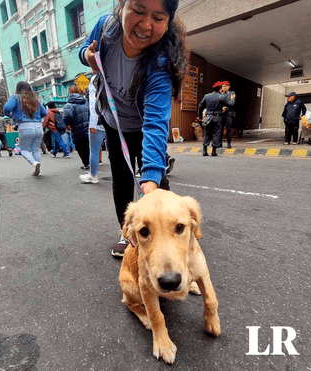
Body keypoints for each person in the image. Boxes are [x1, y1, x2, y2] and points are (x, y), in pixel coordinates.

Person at [80, 0, 187, 257]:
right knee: (121, 178)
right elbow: (85, 49)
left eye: (158, 17)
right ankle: (127, 232)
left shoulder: (162, 61)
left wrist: (149, 180)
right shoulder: (106, 29)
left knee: (156, 179)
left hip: (143, 126)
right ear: (122, 4)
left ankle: (172, 230)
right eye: (138, 11)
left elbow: (155, 123)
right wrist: (87, 56)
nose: (146, 25)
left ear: (169, 19)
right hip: (114, 123)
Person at [4, 81, 47, 176]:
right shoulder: (35, 99)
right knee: (35, 149)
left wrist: (10, 115)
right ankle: (37, 170)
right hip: (38, 126)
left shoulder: (16, 97)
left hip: (25, 126)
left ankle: (34, 163)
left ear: (18, 88)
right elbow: (44, 113)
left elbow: (7, 108)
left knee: (24, 149)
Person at [80, 75, 106, 183]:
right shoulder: (115, 71)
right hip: (115, 120)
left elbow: (93, 103)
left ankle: (93, 175)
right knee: (117, 150)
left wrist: (93, 123)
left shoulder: (95, 78)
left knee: (94, 150)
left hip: (99, 121)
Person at [63, 86, 90, 168]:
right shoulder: (86, 102)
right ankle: (91, 162)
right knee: (88, 145)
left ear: (70, 93)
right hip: (88, 127)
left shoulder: (69, 104)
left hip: (76, 128)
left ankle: (86, 163)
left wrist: (67, 124)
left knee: (80, 146)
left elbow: (67, 117)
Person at [198, 81, 227, 156]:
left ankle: (204, 151)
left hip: (208, 117)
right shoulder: (222, 97)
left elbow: (200, 106)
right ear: (220, 89)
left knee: (206, 133)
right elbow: (230, 104)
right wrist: (225, 108)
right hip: (217, 118)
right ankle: (213, 151)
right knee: (216, 134)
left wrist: (200, 117)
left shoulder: (206, 96)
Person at [220, 81, 236, 148]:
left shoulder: (232, 93)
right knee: (220, 129)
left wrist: (225, 107)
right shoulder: (219, 93)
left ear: (229, 86)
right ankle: (219, 143)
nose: (224, 87)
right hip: (220, 113)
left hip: (228, 113)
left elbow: (232, 104)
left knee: (228, 129)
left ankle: (228, 143)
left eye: (225, 86)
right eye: (223, 86)